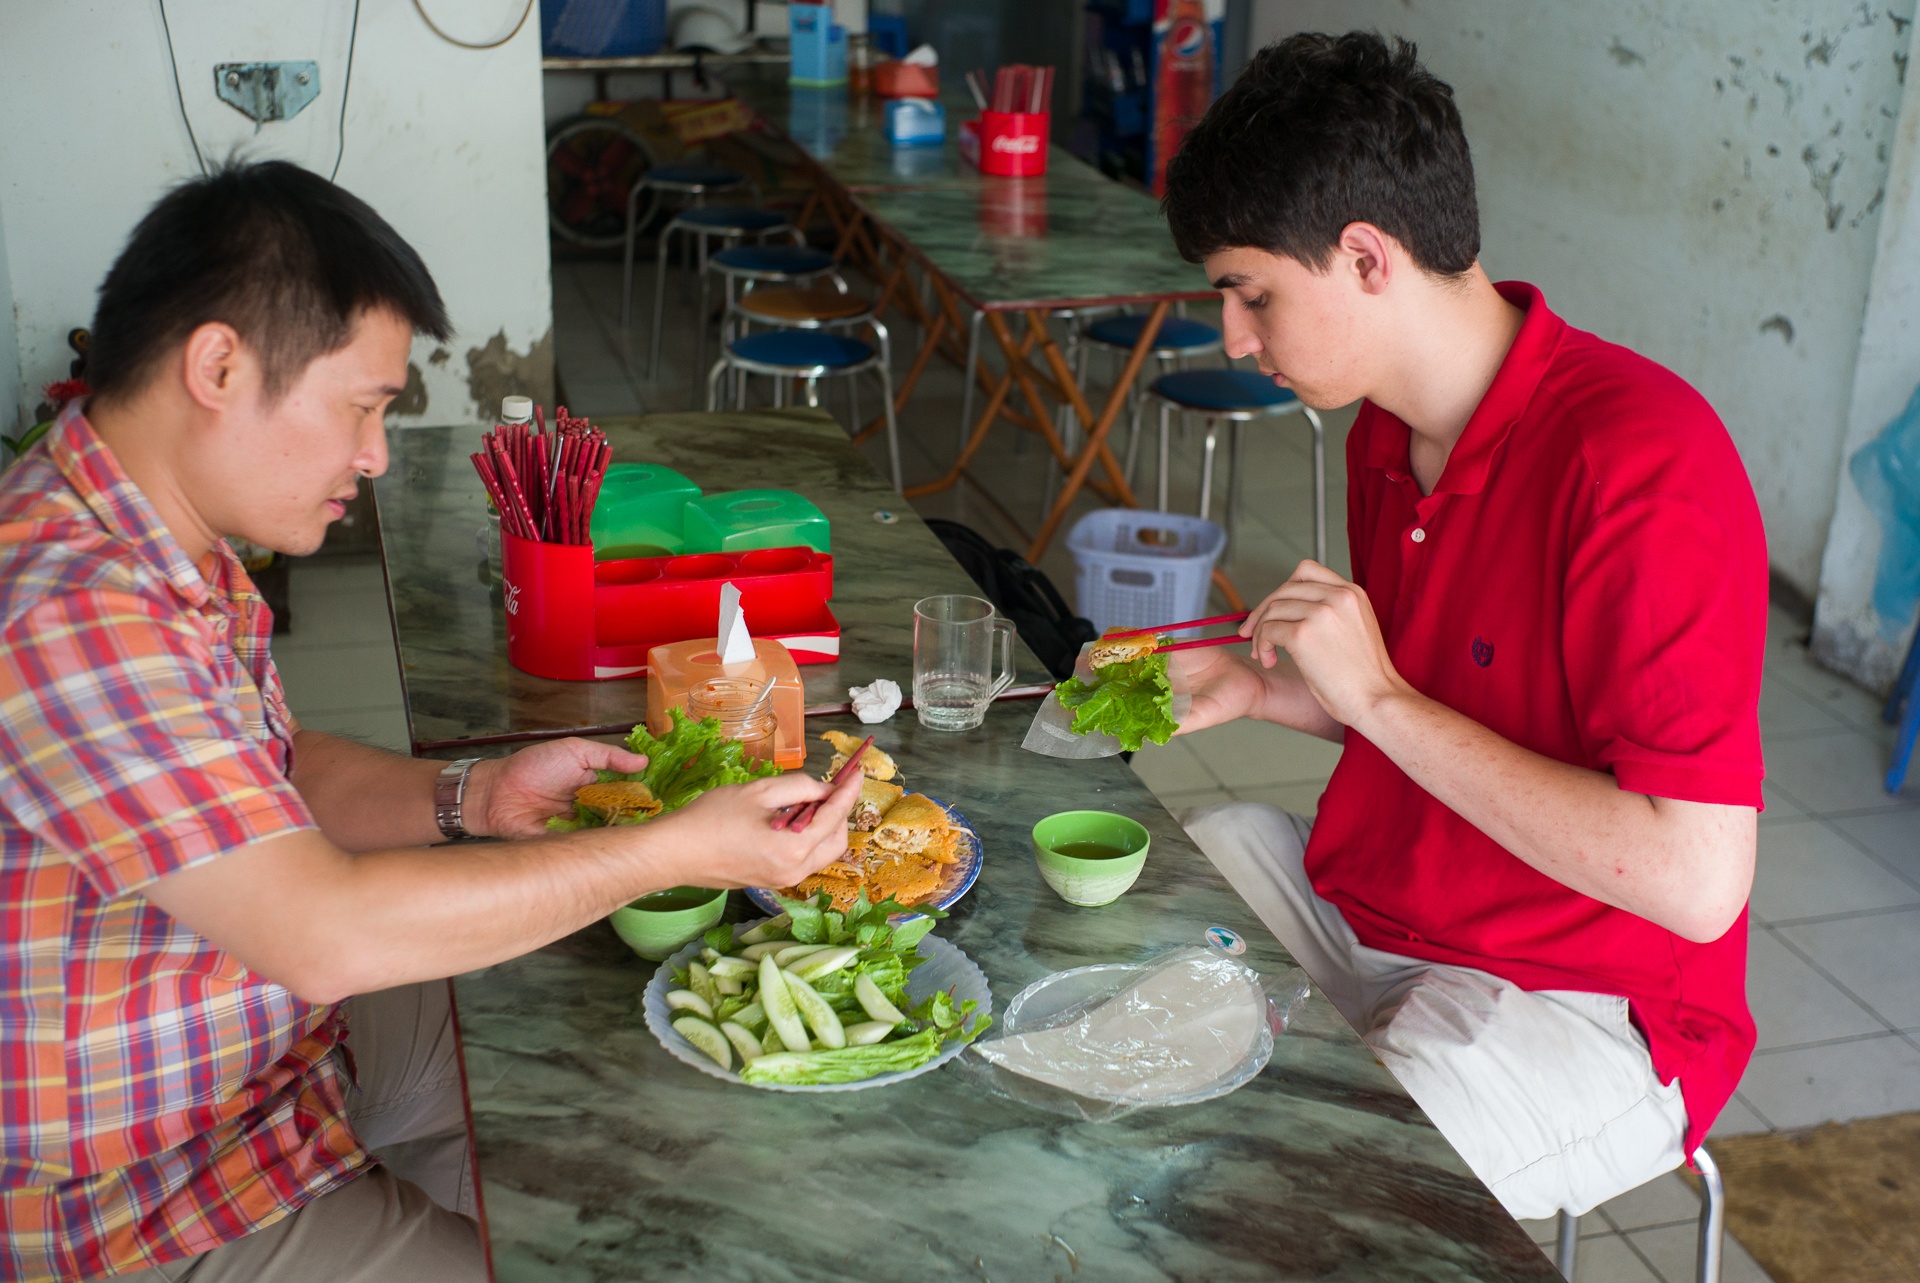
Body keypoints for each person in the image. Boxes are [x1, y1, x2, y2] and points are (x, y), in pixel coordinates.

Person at [0, 161, 861, 1283]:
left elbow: (273, 766)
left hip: (269, 1054)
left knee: (619, 1048)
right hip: (144, 1187)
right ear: (217, 367)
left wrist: (475, 796)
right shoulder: (73, 611)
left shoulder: (156, 537)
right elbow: (323, 935)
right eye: (362, 406)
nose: (374, 453)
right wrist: (671, 850)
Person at [1158, 33, 1764, 1220]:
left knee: (1292, 1195)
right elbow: (1455, 712)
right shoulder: (1385, 433)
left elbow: (1696, 881)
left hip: (1581, 995)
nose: (1235, 335)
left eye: (1253, 293)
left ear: (1366, 257)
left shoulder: (1642, 463)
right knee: (1157, 883)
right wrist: (1262, 687)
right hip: (1387, 907)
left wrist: (1377, 698)